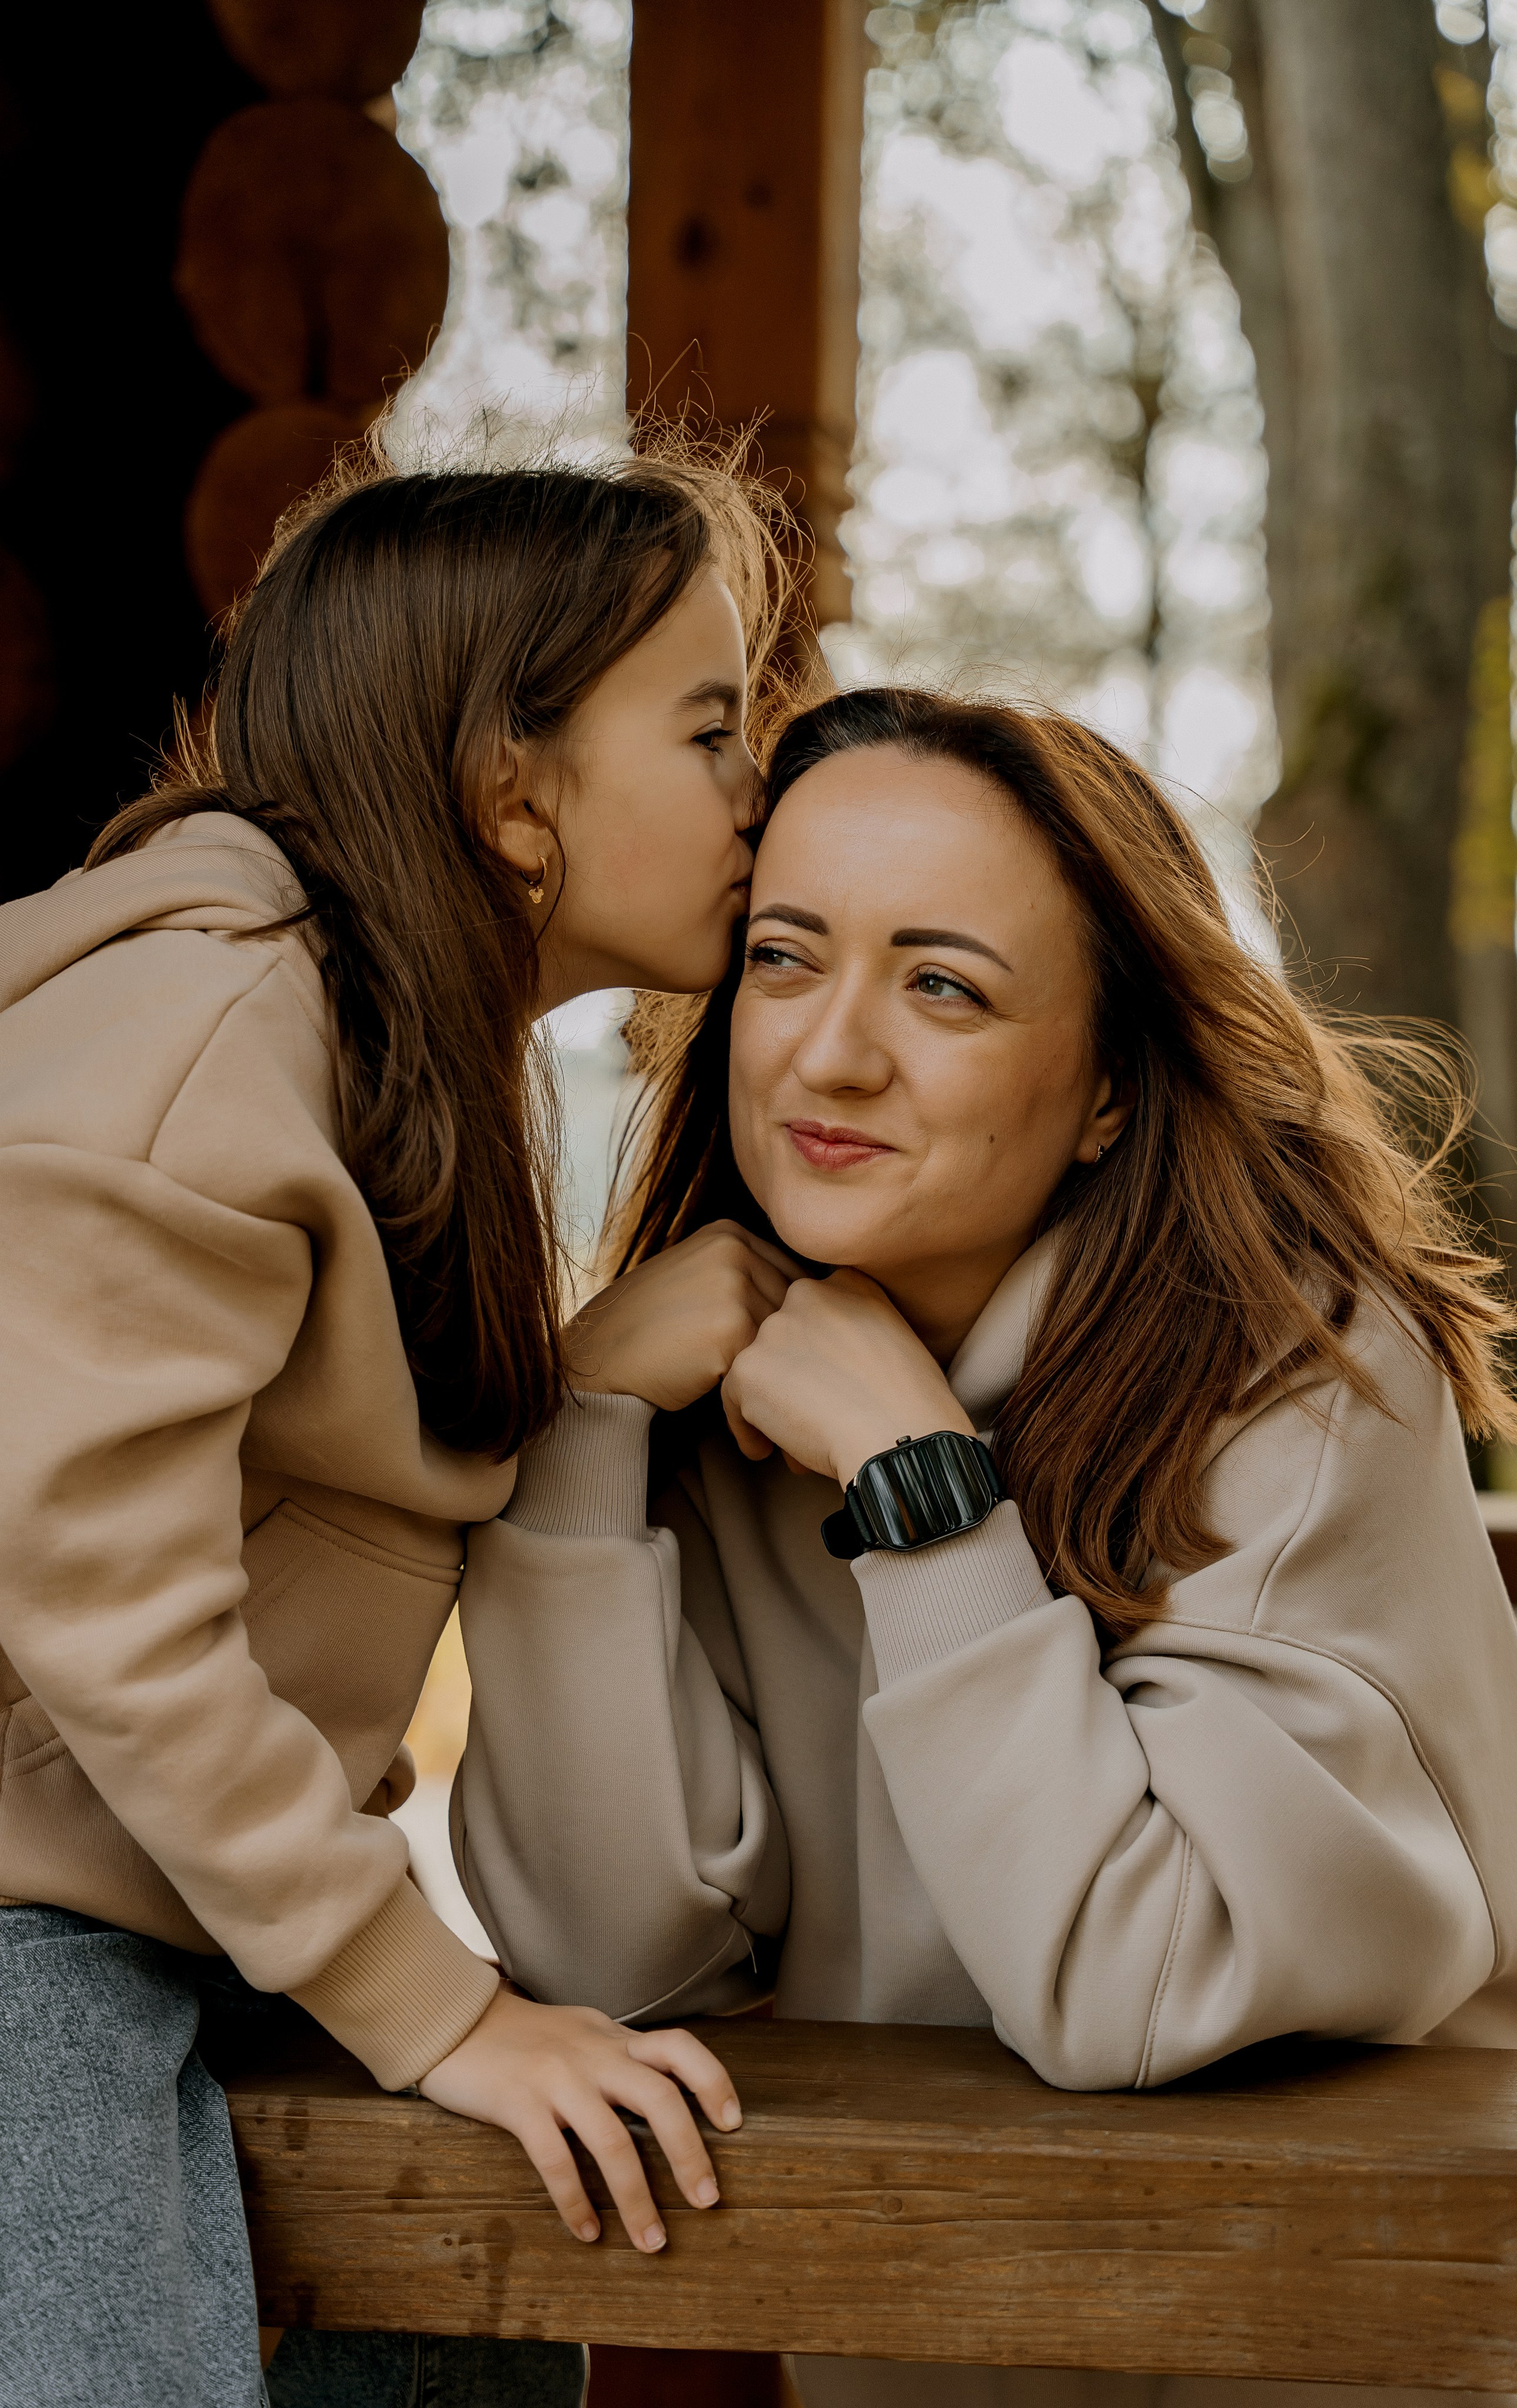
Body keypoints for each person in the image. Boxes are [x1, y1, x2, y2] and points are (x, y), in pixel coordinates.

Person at [454, 685, 1517, 2408]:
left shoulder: (1297, 1374)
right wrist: (579, 1438)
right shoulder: (710, 1397)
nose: (831, 1052)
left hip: (1357, 2360)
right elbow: (620, 1963)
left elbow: (1137, 1986)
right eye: (785, 957)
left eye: (944, 986)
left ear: (1107, 1096)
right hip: (928, 2350)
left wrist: (918, 1482)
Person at [0, 436, 780, 2408]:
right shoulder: (201, 1039)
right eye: (709, 731)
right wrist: (438, 2007)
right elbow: (103, 1612)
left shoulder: (393, 1055)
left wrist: (591, 1370)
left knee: (496, 2293)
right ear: (516, 791)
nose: (758, 791)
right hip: (25, 1933)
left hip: (154, 1904)